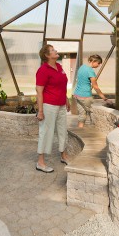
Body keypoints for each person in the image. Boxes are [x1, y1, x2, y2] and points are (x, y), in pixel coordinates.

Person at [35, 44, 70, 172]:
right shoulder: (43, 70)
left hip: (61, 105)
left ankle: (64, 156)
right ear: (47, 55)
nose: (56, 51)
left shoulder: (59, 67)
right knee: (46, 132)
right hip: (48, 106)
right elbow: (39, 91)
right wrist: (40, 111)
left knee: (62, 130)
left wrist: (66, 99)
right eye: (53, 50)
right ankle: (40, 162)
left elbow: (62, 85)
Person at [73, 54, 108, 128]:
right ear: (93, 61)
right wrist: (104, 98)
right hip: (85, 96)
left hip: (77, 95)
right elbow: (95, 86)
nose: (98, 65)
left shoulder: (82, 67)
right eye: (98, 63)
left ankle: (80, 132)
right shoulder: (90, 71)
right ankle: (92, 133)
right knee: (92, 115)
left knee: (81, 116)